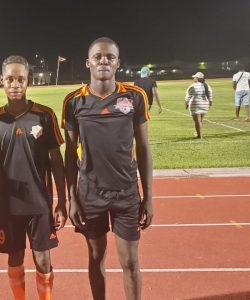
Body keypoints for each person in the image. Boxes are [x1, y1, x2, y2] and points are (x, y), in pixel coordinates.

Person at [62, 37, 153, 300]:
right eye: (98, 56)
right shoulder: (73, 102)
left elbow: (144, 149)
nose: (104, 60)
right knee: (95, 258)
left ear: (118, 63)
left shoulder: (135, 96)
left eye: (110, 57)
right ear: (87, 62)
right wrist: (72, 198)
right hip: (90, 195)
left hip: (126, 193)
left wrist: (148, 197)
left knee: (131, 262)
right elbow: (70, 154)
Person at [0, 55, 67, 300]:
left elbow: (56, 162)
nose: (15, 83)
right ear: (2, 81)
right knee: (15, 257)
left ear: (28, 81)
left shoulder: (45, 115)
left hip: (39, 204)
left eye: (20, 78)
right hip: (9, 205)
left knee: (43, 258)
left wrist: (61, 202)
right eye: (10, 79)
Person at [185, 72, 213, 139]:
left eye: (194, 77)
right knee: (200, 121)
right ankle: (198, 133)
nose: (193, 78)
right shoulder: (207, 86)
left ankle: (199, 135)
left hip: (196, 105)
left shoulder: (193, 86)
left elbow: (187, 97)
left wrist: (186, 105)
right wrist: (209, 104)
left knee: (197, 121)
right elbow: (210, 98)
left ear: (197, 78)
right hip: (205, 105)